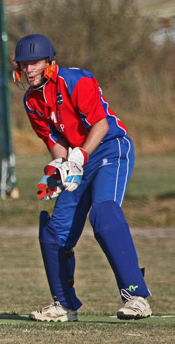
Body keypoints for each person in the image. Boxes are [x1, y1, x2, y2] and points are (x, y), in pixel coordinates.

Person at [12, 34, 152, 322]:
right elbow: (54, 142)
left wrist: (79, 157)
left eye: (35, 63)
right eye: (25, 64)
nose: (29, 70)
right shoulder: (31, 101)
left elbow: (100, 124)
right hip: (79, 158)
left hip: (110, 148)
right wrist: (60, 169)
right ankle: (64, 304)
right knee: (54, 232)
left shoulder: (76, 80)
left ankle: (137, 296)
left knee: (104, 213)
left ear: (49, 62)